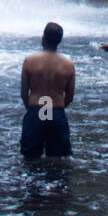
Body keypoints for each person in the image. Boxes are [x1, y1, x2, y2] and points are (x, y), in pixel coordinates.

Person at [20, 21, 75, 159]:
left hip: (37, 109)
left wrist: (31, 108)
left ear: (43, 38)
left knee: (31, 157)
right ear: (59, 41)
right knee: (56, 157)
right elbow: (69, 96)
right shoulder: (68, 64)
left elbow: (24, 93)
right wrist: (56, 109)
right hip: (56, 110)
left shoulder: (30, 60)